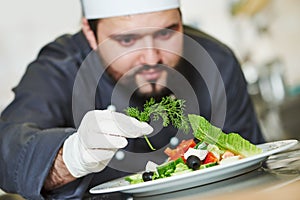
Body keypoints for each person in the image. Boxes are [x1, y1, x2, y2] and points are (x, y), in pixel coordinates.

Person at [0, 0, 265, 199]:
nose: (151, 58)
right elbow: (6, 149)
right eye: (127, 40)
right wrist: (71, 156)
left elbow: (254, 173)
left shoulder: (216, 63)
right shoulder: (60, 68)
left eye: (166, 33)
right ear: (90, 34)